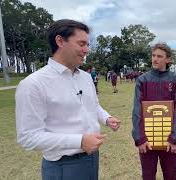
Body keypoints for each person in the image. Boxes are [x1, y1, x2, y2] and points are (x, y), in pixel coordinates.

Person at [15, 19, 121, 180]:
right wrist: (79, 141)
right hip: (63, 166)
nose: (86, 50)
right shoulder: (33, 84)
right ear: (60, 41)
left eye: (87, 44)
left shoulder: (85, 77)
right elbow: (28, 137)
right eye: (81, 44)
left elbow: (93, 106)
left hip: (92, 158)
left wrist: (106, 118)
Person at [132, 43, 176, 180]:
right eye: (153, 55)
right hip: (147, 140)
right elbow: (137, 110)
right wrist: (139, 138)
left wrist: (175, 138)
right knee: (148, 175)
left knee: (170, 175)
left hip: (170, 140)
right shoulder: (142, 80)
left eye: (159, 56)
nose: (155, 59)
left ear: (168, 59)